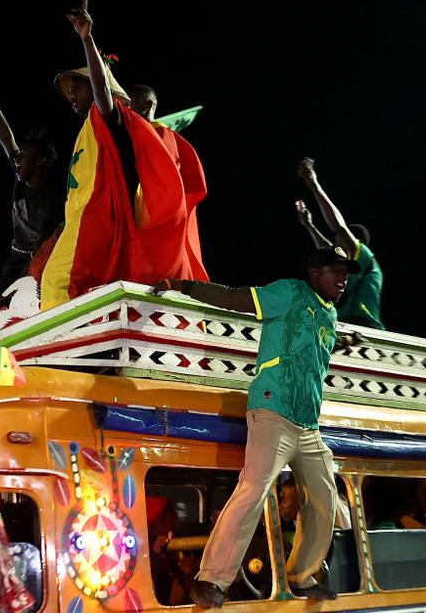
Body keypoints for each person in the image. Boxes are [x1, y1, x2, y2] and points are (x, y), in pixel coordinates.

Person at [153, 245, 364, 608]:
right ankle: (211, 580)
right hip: (273, 411)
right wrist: (183, 286)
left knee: (326, 497)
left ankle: (302, 575)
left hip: (308, 425)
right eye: (335, 270)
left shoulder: (329, 313)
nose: (343, 278)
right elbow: (236, 298)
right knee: (254, 489)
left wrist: (343, 342)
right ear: (314, 273)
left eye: (346, 271)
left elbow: (310, 348)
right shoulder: (291, 292)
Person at [40, 0, 207, 310]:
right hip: (78, 222)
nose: (72, 94)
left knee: (57, 283)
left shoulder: (108, 118)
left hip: (96, 223)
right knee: (58, 285)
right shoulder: (89, 130)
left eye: (78, 86)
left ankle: (61, 354)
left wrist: (86, 39)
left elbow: (103, 94)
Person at [0, 72, 66, 299]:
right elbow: (6, 138)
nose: (17, 160)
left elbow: (42, 246)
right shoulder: (20, 176)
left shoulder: (53, 197)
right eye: (17, 157)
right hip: (17, 257)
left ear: (40, 161)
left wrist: (19, 288)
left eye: (23, 156)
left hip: (43, 257)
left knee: (19, 300)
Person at [295, 158, 385, 329]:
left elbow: (339, 227)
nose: (335, 249)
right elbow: (327, 246)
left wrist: (314, 184)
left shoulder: (365, 257)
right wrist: (309, 225)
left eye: (339, 244)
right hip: (348, 325)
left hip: (367, 327)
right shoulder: (353, 268)